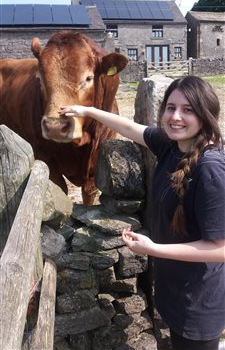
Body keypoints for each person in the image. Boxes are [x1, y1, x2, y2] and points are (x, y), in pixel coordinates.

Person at [59, 76, 225, 350]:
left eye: (188, 110)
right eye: (170, 108)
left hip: (199, 300)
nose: (175, 117)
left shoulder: (210, 170)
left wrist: (154, 249)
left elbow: (220, 248)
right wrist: (88, 111)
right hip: (176, 290)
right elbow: (130, 128)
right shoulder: (172, 146)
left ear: (206, 115)